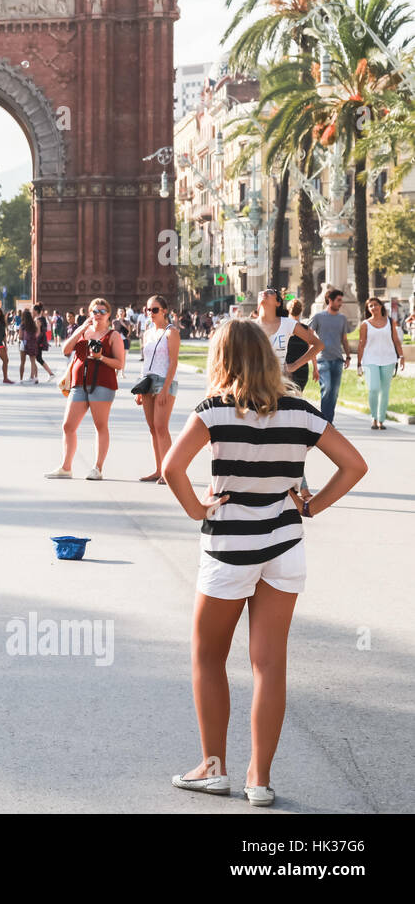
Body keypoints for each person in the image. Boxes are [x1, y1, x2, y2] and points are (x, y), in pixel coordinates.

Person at [162, 320, 366, 807]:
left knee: (208, 657)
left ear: (223, 358)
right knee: (269, 664)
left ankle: (213, 768)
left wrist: (198, 508)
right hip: (283, 545)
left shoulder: (214, 410)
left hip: (229, 548)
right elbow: (355, 465)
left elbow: (172, 467)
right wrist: (310, 507)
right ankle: (260, 779)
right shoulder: (300, 411)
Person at [45, 299, 124, 480]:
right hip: (78, 384)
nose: (98, 314)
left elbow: (120, 363)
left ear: (108, 315)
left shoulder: (113, 336)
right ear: (89, 313)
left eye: (102, 311)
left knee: (100, 426)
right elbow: (66, 350)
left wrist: (101, 357)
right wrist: (81, 329)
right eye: (95, 311)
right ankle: (66, 467)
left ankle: (97, 468)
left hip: (102, 384)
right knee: (68, 426)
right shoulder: (83, 332)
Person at [135, 295, 181, 483]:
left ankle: (168, 472)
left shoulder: (172, 332)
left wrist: (165, 389)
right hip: (147, 381)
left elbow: (173, 362)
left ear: (164, 311)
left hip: (164, 382)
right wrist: (139, 386)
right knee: (153, 428)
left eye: (155, 310)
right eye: (148, 310)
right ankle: (158, 469)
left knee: (161, 427)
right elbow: (145, 362)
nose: (150, 313)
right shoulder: (147, 333)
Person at [253, 289, 322, 391]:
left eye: (270, 292)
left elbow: (318, 345)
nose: (264, 293)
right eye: (261, 293)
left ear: (278, 303)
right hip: (255, 383)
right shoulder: (249, 326)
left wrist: (294, 366)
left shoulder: (287, 324)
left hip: (279, 383)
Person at [356, 295, 405, 430]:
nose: (373, 307)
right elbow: (361, 344)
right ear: (368, 309)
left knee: (384, 391)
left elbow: (396, 340)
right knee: (373, 388)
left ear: (381, 306)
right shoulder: (365, 324)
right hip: (370, 360)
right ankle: (374, 417)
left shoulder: (390, 322)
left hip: (388, 359)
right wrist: (359, 364)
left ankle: (381, 420)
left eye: (375, 305)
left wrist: (401, 356)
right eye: (370, 306)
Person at [306, 290, 352, 424]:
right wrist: (313, 364)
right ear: (330, 300)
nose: (341, 303)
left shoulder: (342, 318)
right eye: (338, 300)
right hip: (322, 359)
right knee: (327, 388)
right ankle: (324, 422)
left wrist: (348, 356)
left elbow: (344, 339)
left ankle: (328, 423)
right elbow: (309, 338)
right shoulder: (318, 317)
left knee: (334, 393)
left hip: (337, 360)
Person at [18, 309, 54, 384]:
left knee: (22, 362)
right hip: (33, 344)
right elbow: (37, 334)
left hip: (24, 344)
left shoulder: (22, 325)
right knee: (33, 361)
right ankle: (35, 378)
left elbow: (20, 336)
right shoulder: (34, 324)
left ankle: (21, 379)